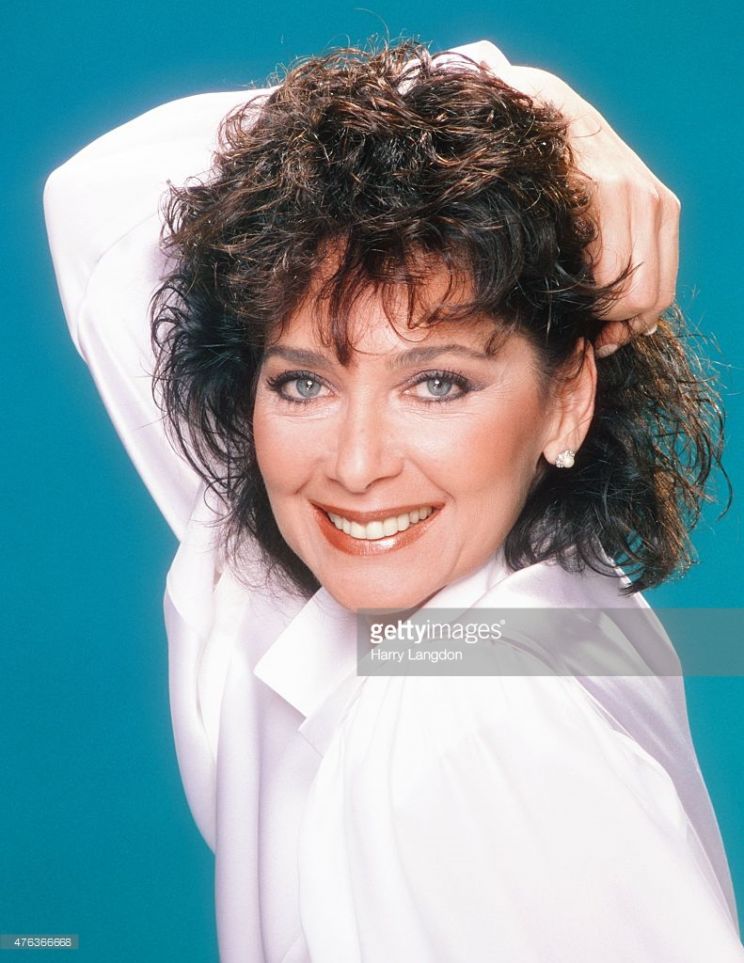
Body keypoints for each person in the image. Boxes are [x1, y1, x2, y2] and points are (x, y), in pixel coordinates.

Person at [44, 38, 742, 962]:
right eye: (302, 383)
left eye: (437, 384)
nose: (356, 464)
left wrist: (518, 132)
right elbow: (91, 202)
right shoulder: (528, 594)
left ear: (567, 396)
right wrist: (537, 105)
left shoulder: (469, 730)